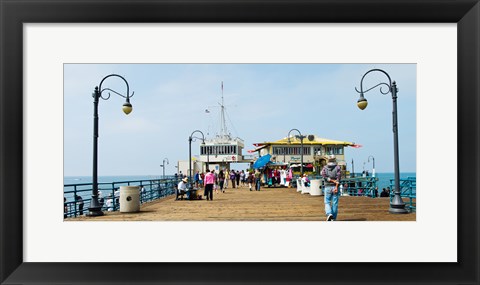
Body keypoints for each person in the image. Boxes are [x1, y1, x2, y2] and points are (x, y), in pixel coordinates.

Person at [321, 155, 342, 221]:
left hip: (327, 186)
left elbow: (324, 177)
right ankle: (334, 218)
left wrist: (330, 180)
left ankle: (329, 214)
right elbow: (338, 178)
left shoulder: (325, 168)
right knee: (335, 203)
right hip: (335, 187)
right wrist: (336, 186)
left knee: (327, 202)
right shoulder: (338, 167)